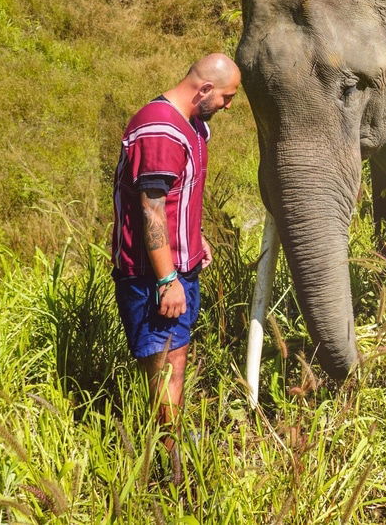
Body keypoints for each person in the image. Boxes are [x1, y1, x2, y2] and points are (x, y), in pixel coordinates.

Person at [110, 53, 241, 475]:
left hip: (176, 265)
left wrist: (192, 237)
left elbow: (173, 200)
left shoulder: (189, 125)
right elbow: (150, 210)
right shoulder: (162, 131)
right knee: (167, 363)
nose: (228, 106)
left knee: (174, 358)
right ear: (204, 90)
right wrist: (168, 278)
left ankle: (172, 438)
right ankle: (169, 458)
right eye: (225, 97)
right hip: (153, 274)